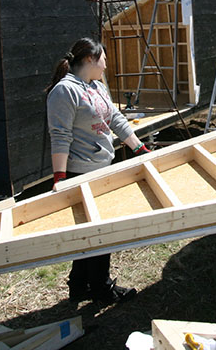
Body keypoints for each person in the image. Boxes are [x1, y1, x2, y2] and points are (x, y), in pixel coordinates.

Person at [45, 38, 150, 304]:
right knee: (100, 232)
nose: (106, 64)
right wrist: (60, 178)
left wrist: (139, 149)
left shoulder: (97, 86)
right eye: (103, 59)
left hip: (102, 168)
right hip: (80, 173)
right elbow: (60, 136)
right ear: (90, 59)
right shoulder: (65, 91)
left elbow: (115, 119)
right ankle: (102, 288)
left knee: (89, 232)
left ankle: (79, 285)